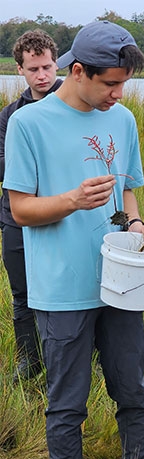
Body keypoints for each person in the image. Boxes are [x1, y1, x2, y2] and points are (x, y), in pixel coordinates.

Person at [3, 20, 144, 459]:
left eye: (123, 84)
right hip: (61, 284)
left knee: (132, 387)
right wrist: (71, 200)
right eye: (110, 83)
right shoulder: (28, 123)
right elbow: (21, 209)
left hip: (121, 280)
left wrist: (134, 223)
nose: (117, 94)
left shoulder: (123, 119)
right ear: (77, 71)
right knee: (68, 400)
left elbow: (128, 189)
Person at [0, 29, 63, 380]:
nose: (42, 76)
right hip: (16, 217)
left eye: (48, 67)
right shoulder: (10, 116)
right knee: (21, 293)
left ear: (57, 64)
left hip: (64, 214)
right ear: (19, 70)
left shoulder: (73, 106)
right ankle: (29, 362)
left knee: (65, 291)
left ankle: (70, 358)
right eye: (33, 69)